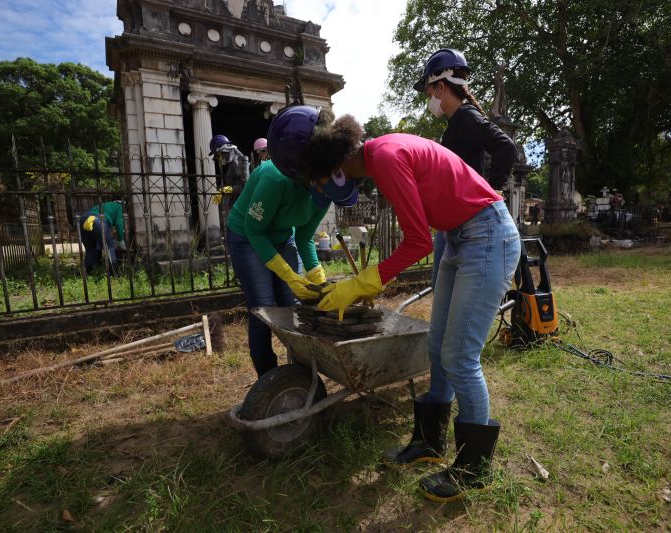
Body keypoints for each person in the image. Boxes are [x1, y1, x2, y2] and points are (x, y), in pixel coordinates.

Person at [267, 108, 521, 503]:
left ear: (332, 167)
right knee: (438, 346)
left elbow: (416, 241)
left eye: (315, 178)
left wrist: (362, 282)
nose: (317, 188)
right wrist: (366, 281)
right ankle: (429, 443)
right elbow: (426, 229)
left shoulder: (385, 158)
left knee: (460, 357)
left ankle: (475, 470)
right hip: (459, 237)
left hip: (487, 236)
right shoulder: (380, 153)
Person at [226, 107, 359, 378]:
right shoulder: (274, 179)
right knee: (264, 308)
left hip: (282, 236)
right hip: (248, 238)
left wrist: (316, 276)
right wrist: (289, 274)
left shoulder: (325, 188)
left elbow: (304, 236)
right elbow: (255, 232)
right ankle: (269, 379)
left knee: (295, 304)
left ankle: (300, 374)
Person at [413, 49, 518, 287]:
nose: (428, 98)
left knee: (446, 292)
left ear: (441, 87)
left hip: (464, 223)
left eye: (429, 91)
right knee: (442, 291)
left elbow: (506, 147)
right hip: (451, 223)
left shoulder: (466, 117)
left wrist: (492, 191)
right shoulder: (456, 122)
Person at [80, 199, 126, 274]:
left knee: (91, 249)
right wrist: (121, 241)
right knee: (109, 248)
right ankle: (114, 275)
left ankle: (88, 273)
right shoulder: (119, 207)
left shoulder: (106, 204)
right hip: (98, 221)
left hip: (83, 221)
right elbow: (119, 224)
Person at [209, 134, 248, 224]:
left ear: (223, 151)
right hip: (236, 206)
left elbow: (245, 186)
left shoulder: (237, 161)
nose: (217, 159)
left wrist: (224, 190)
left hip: (241, 207)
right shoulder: (232, 162)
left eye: (217, 155)